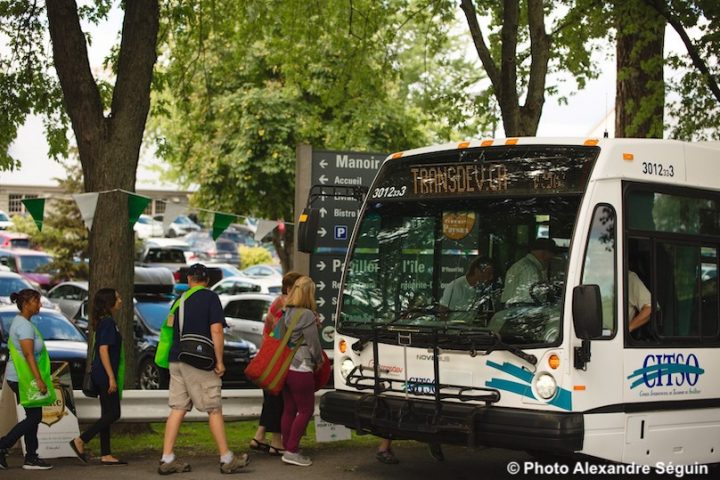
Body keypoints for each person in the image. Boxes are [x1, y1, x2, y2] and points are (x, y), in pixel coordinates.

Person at [157, 263, 248, 475]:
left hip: (176, 359)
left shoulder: (179, 300)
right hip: (198, 361)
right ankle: (227, 458)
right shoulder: (210, 298)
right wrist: (219, 361)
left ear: (189, 279)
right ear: (207, 281)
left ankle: (167, 458)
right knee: (213, 407)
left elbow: (169, 329)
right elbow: (216, 330)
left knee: (177, 408)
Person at [69, 288, 126, 465]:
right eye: (117, 297)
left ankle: (106, 454)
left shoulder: (104, 321)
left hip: (101, 373)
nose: (120, 300)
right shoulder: (108, 323)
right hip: (105, 374)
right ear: (109, 302)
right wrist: (111, 377)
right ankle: (81, 440)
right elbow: (103, 351)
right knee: (114, 413)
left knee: (107, 413)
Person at [250, 270, 302, 456]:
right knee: (278, 400)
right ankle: (276, 441)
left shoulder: (278, 302)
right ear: (290, 288)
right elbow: (285, 333)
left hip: (268, 355)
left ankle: (259, 436)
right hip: (278, 358)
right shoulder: (285, 305)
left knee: (271, 399)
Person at [0, 289, 53, 470]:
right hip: (24, 377)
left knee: (33, 416)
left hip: (21, 376)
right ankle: (3, 445)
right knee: (35, 416)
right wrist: (39, 380)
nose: (40, 305)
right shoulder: (24, 326)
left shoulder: (22, 322)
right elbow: (29, 354)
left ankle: (31, 457)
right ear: (26, 304)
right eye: (36, 302)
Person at [277, 276, 324, 467]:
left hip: (286, 366)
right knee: (306, 410)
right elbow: (313, 343)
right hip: (302, 366)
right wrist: (319, 361)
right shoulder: (306, 314)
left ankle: (287, 446)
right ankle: (292, 451)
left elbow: (279, 336)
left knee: (289, 408)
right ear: (308, 293)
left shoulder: (286, 311)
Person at [501, 237, 557, 306]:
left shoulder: (523, 265)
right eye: (551, 255)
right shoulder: (530, 270)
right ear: (543, 253)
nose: (551, 259)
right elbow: (531, 300)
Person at [439, 256, 496, 321]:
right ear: (477, 271)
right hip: (454, 329)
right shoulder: (456, 286)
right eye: (488, 273)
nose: (491, 277)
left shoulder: (480, 288)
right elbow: (443, 312)